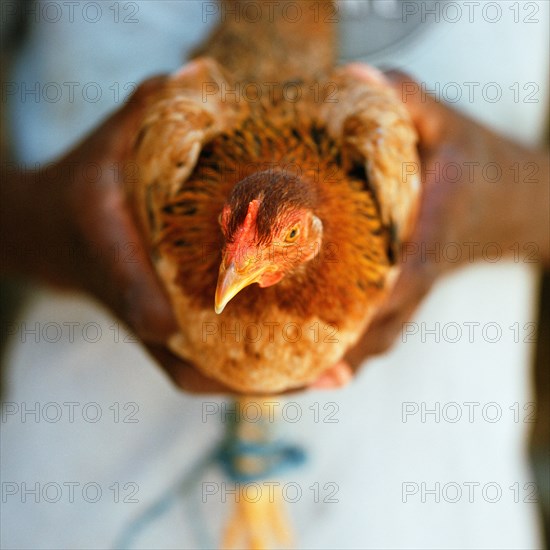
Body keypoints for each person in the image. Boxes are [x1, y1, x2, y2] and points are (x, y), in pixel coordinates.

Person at [1, 1, 547, 547]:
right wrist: (41, 223)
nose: (234, 266)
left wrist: (511, 202)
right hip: (78, 508)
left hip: (439, 516)